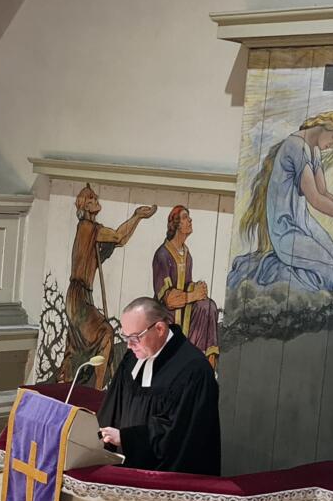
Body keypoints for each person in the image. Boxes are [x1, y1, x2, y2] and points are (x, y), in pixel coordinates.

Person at [228, 110, 333, 295]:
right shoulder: (296, 146)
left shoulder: (314, 150)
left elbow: (324, 192)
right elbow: (316, 199)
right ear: (324, 127)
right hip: (286, 231)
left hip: (304, 225)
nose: (332, 145)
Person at [97, 296, 221, 475]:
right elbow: (113, 408)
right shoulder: (133, 358)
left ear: (160, 329)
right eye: (126, 337)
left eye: (135, 337)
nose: (129, 345)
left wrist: (126, 439)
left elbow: (179, 436)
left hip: (164, 480)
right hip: (124, 469)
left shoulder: (194, 371)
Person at [59, 184, 156, 390]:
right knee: (105, 333)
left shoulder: (91, 229)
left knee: (76, 346)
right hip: (79, 296)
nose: (96, 201)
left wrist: (137, 218)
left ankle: (71, 384)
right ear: (85, 206)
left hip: (80, 296)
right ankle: (98, 390)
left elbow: (120, 240)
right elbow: (118, 237)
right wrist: (137, 216)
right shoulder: (88, 228)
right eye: (92, 199)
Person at [153, 205, 219, 367]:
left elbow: (185, 285)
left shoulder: (187, 255)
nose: (190, 220)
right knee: (203, 305)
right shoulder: (163, 255)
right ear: (175, 225)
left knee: (208, 306)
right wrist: (193, 295)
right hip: (167, 316)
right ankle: (190, 360)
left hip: (184, 311)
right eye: (185, 217)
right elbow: (168, 300)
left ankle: (206, 364)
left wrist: (197, 288)